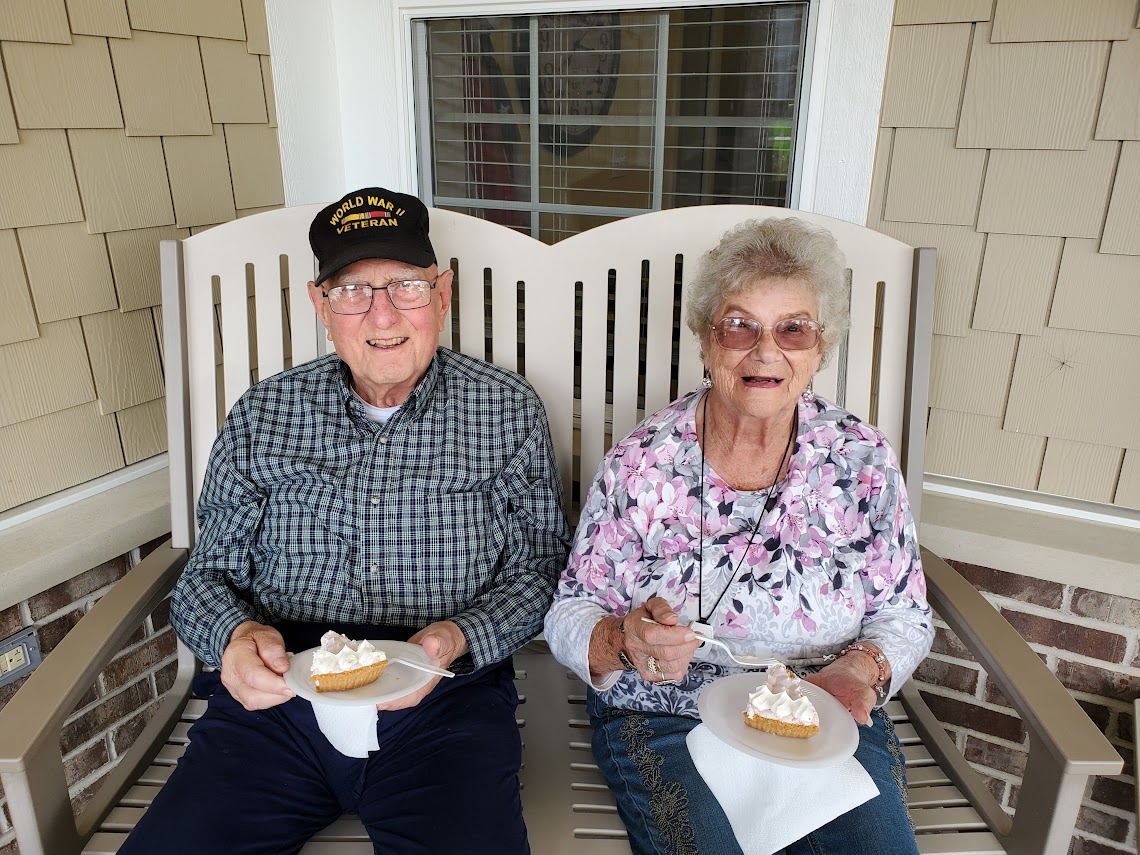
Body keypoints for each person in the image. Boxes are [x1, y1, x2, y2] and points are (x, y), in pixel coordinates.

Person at [122, 187, 571, 854]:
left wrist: (455, 638)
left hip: (446, 695)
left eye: (406, 286)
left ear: (442, 295)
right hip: (281, 700)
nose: (382, 314)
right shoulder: (264, 415)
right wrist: (235, 636)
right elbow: (206, 574)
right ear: (321, 305)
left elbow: (541, 567)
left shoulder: (505, 410)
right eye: (353, 291)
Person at [544, 216, 934, 855]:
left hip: (822, 706)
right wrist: (622, 641)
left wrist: (859, 671)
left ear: (820, 347)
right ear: (706, 339)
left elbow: (904, 614)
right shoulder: (643, 462)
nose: (765, 351)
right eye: (739, 325)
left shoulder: (861, 459)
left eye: (793, 328)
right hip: (667, 711)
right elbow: (571, 609)